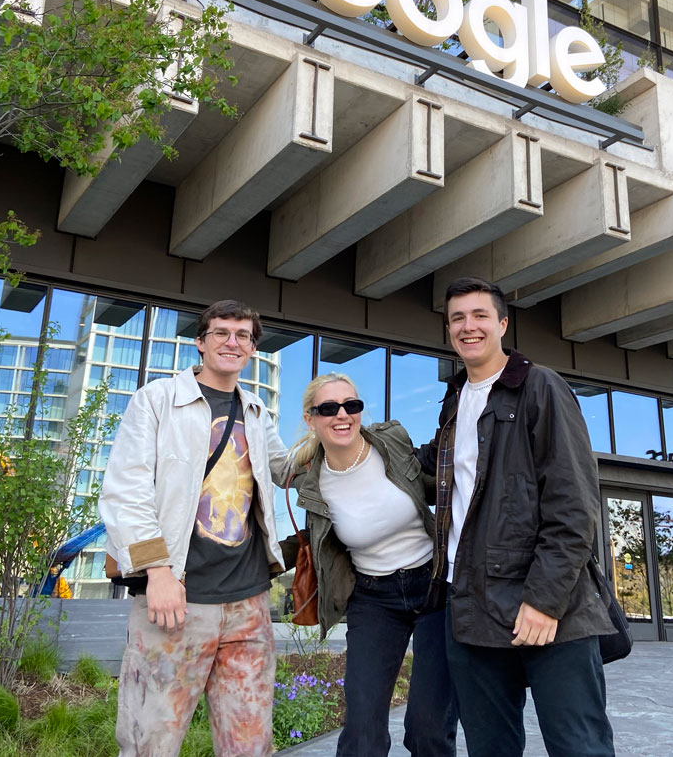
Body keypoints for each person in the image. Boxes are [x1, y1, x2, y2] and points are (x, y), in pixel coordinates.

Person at [418, 277, 615, 757]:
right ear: (449, 330)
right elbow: (432, 476)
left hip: (549, 610)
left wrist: (545, 601)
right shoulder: (455, 401)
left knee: (578, 747)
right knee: (490, 747)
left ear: (502, 324)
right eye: (458, 318)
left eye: (480, 315)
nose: (469, 327)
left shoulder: (540, 386)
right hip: (471, 608)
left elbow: (574, 504)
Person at [99, 299, 286, 757]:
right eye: (221, 332)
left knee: (250, 743)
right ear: (200, 342)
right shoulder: (157, 400)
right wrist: (157, 572)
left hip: (249, 603)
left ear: (252, 349)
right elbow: (126, 491)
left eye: (243, 336)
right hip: (176, 598)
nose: (232, 342)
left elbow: (285, 468)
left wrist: (338, 426)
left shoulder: (257, 410)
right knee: (151, 741)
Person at [274, 373, 457, 757]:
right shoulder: (311, 480)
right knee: (361, 732)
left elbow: (441, 481)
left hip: (434, 586)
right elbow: (305, 537)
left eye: (351, 405)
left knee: (428, 727)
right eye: (328, 408)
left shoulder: (391, 442)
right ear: (311, 419)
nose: (342, 415)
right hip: (373, 599)